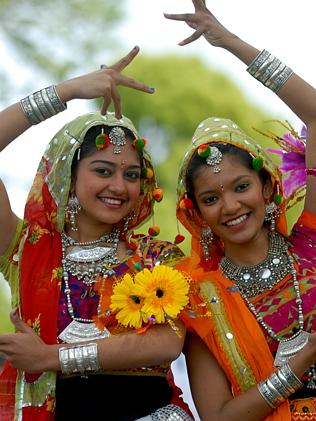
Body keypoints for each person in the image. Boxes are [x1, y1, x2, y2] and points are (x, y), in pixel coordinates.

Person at [0, 47, 194, 421]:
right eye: (103, 171)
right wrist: (66, 91)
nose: (119, 186)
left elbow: (167, 343)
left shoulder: (157, 256)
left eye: (132, 174)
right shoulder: (26, 248)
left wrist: (49, 357)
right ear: (68, 177)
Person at [164, 1, 316, 420]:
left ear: (267, 186)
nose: (230, 206)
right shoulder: (198, 300)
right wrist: (298, 366)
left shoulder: (310, 241)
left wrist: (230, 43)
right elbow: (217, 416)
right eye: (211, 199)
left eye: (241, 186)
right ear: (196, 214)